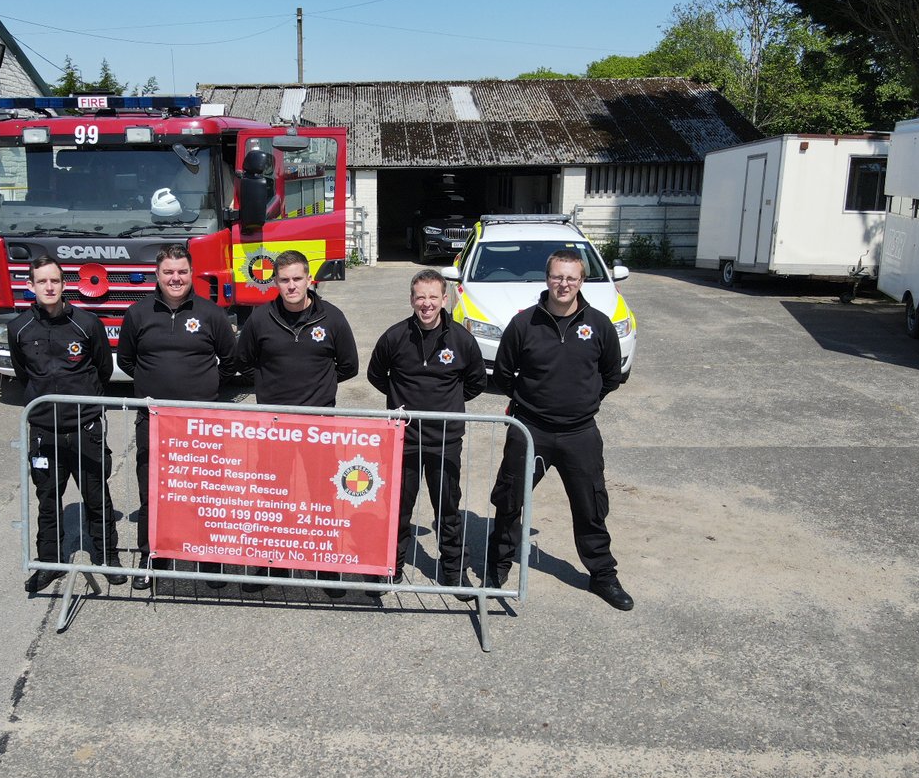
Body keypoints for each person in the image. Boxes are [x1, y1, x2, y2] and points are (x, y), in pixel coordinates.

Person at [485, 248, 634, 610]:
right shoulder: (523, 325)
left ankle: (602, 575)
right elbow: (504, 374)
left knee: (590, 505)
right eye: (557, 276)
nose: (563, 284)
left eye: (571, 277)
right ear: (546, 278)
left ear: (581, 281)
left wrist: (585, 402)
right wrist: (531, 403)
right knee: (510, 500)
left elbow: (612, 375)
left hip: (580, 433)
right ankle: (496, 567)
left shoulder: (598, 324)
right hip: (530, 430)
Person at [236, 249, 360, 595]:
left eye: (296, 279)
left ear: (309, 280)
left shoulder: (332, 318)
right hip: (274, 424)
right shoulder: (261, 319)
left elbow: (349, 365)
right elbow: (243, 361)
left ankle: (326, 563)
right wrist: (267, 384)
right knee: (273, 494)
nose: (291, 286)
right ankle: (270, 561)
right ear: (275, 282)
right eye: (284, 280)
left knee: (322, 495)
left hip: (318, 424)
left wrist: (318, 388)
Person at [116, 245, 236, 591]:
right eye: (168, 272)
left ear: (191, 273)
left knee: (206, 491)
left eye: (182, 271)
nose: (175, 278)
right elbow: (126, 360)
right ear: (157, 275)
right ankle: (153, 556)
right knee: (153, 492)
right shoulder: (137, 314)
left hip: (201, 422)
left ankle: (210, 557)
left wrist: (205, 388)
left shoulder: (212, 314)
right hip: (154, 421)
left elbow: (230, 361)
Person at [9, 254, 126, 593]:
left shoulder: (87, 324)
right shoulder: (19, 329)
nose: (49, 286)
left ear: (64, 285)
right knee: (47, 500)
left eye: (55, 281)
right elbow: (22, 375)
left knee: (96, 497)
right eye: (42, 281)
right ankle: (49, 563)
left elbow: (103, 370)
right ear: (31, 286)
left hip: (84, 428)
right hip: (45, 432)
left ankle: (107, 558)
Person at [367, 269, 487, 596]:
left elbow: (476, 381)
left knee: (447, 510)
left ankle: (453, 572)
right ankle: (391, 568)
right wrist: (399, 400)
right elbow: (376, 374)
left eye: (433, 297)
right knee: (398, 509)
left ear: (444, 299)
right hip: (403, 441)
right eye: (420, 297)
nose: (427, 304)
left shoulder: (461, 339)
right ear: (411, 299)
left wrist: (447, 404)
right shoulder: (394, 337)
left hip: (444, 441)